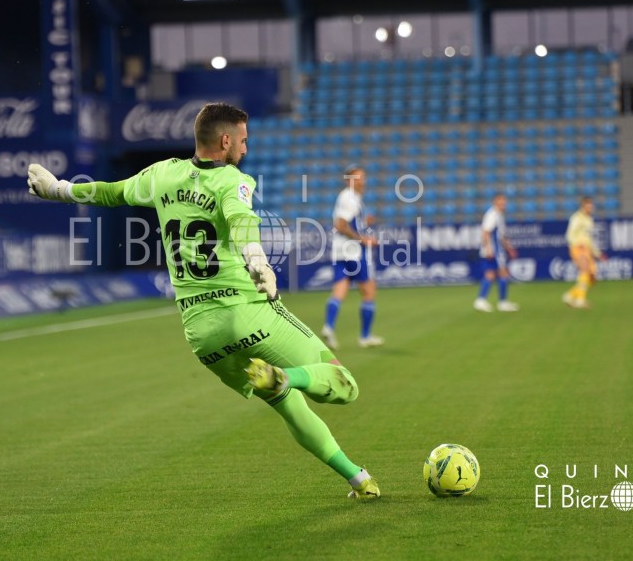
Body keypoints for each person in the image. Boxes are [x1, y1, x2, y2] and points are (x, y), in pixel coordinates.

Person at [26, 102, 380, 500]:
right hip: (245, 312)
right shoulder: (233, 180)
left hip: (201, 333)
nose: (245, 149)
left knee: (285, 405)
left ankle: (358, 480)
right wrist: (257, 259)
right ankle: (287, 375)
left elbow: (111, 193)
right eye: (242, 141)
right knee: (342, 384)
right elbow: (240, 217)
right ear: (225, 140)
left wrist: (57, 189)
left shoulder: (162, 174)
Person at [321, 165, 384, 349]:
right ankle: (365, 337)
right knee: (369, 291)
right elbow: (340, 225)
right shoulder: (349, 198)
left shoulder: (351, 198)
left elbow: (348, 222)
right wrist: (362, 239)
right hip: (353, 252)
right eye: (358, 178)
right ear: (349, 180)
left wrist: (365, 222)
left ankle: (328, 326)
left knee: (340, 290)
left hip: (340, 251)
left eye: (363, 177)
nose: (362, 181)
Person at [473, 194, 519, 312]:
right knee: (502, 274)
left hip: (497, 249)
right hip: (494, 250)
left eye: (504, 202)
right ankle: (500, 302)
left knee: (491, 275)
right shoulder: (492, 215)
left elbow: (501, 236)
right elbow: (486, 232)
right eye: (501, 202)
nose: (503, 204)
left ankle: (483, 300)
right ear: (495, 202)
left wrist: (509, 248)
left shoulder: (499, 215)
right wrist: (488, 248)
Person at [562, 196, 606, 309]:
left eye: (591, 206)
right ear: (583, 206)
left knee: (592, 277)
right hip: (578, 248)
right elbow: (570, 234)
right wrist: (576, 244)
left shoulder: (589, 220)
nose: (590, 208)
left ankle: (570, 295)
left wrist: (597, 253)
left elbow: (589, 238)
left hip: (586, 249)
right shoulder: (577, 218)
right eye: (588, 206)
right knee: (585, 271)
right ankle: (580, 300)